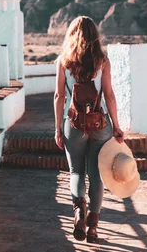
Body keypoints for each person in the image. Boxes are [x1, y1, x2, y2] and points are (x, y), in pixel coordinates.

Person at [53, 16, 125, 243]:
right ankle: (93, 227)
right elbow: (110, 95)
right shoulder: (102, 61)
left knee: (76, 172)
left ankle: (78, 213)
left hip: (73, 124)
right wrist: (116, 126)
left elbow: (59, 96)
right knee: (96, 175)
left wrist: (57, 129)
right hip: (99, 125)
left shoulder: (63, 61)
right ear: (95, 35)